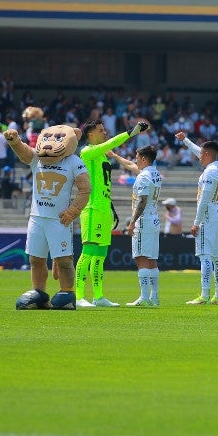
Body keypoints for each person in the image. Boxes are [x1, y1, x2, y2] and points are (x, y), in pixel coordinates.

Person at [6, 125, 90, 310]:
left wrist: (73, 210)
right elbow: (24, 153)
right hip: (36, 218)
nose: (50, 144)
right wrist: (15, 142)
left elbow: (85, 189)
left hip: (59, 219)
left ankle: (67, 292)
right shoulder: (37, 158)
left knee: (64, 260)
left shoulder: (73, 161)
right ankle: (39, 293)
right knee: (36, 259)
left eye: (58, 139)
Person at [74, 119, 148, 308]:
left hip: (105, 209)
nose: (104, 132)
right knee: (88, 252)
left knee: (100, 255)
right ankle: (79, 297)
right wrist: (132, 132)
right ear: (91, 135)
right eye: (101, 130)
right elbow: (110, 144)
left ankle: (98, 296)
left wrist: (110, 207)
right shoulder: (87, 152)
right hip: (92, 209)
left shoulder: (102, 156)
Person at [176, 132, 218, 305]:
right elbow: (200, 151)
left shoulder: (208, 173)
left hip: (206, 217)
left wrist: (195, 223)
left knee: (205, 256)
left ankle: (204, 295)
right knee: (217, 257)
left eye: (201, 156)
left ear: (207, 155)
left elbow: (204, 199)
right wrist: (185, 141)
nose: (199, 158)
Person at [124, 146, 163, 306]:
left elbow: (142, 200)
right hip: (154, 218)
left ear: (144, 159)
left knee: (141, 257)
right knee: (152, 259)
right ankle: (154, 297)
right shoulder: (156, 174)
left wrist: (132, 222)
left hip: (144, 220)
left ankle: (144, 298)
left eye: (137, 157)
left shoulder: (143, 177)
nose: (136, 160)